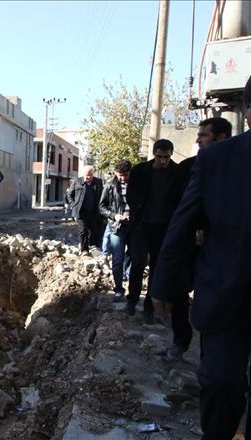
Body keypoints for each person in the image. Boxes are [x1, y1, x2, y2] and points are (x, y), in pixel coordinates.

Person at [151, 75, 251, 439]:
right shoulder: (217, 161)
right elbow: (183, 222)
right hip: (227, 293)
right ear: (248, 111)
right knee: (221, 384)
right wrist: (162, 286)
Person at [162, 117, 232, 362]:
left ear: (220, 137)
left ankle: (210, 355)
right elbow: (176, 207)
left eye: (203, 135)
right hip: (187, 247)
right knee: (180, 295)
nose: (197, 139)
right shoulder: (188, 168)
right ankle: (180, 342)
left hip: (222, 250)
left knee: (213, 302)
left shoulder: (235, 168)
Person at [125, 139, 181, 324]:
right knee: (138, 262)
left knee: (157, 268)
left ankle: (149, 308)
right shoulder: (140, 171)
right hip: (141, 226)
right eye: (159, 157)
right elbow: (131, 196)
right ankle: (132, 300)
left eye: (166, 157)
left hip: (163, 228)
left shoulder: (177, 173)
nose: (163, 161)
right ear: (154, 154)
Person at [98, 159, 132, 303]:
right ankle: (118, 289)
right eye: (120, 175)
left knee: (133, 258)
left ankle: (133, 289)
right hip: (116, 227)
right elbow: (102, 207)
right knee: (117, 259)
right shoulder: (110, 185)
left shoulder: (137, 184)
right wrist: (114, 216)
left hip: (133, 227)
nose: (122, 178)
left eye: (125, 175)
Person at [67, 165, 103, 256]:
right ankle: (84, 250)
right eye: (86, 175)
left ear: (93, 174)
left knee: (94, 230)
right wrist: (74, 205)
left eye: (90, 175)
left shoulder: (98, 182)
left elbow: (103, 196)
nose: (88, 177)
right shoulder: (77, 181)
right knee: (83, 231)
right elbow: (69, 195)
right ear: (83, 174)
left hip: (94, 212)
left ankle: (94, 247)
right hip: (81, 212)